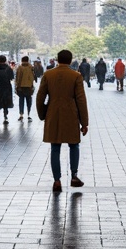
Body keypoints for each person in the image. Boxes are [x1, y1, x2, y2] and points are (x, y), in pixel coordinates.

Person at [36, 48, 89, 193]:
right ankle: (74, 176)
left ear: (57, 60)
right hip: (71, 115)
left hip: (53, 114)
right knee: (74, 145)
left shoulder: (48, 74)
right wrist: (84, 123)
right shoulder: (76, 76)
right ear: (70, 60)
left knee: (55, 147)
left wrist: (42, 114)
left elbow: (40, 97)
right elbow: (81, 100)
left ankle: (57, 180)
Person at [15, 55, 35, 122]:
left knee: (21, 101)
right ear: (28, 60)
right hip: (29, 87)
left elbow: (18, 78)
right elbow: (33, 77)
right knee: (29, 101)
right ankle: (29, 114)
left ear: (22, 60)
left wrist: (17, 86)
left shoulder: (19, 68)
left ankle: (21, 114)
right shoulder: (31, 67)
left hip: (21, 87)